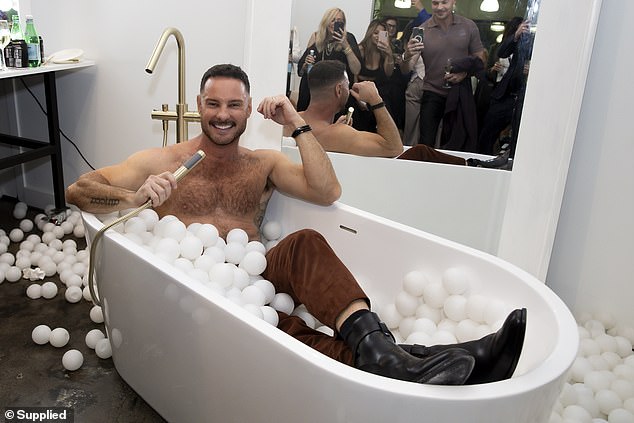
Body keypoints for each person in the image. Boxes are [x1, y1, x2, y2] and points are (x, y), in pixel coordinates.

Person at [66, 64, 525, 385]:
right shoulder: (162, 161)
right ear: (199, 106)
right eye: (213, 104)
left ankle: (384, 354)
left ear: (248, 111)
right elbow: (79, 190)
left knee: (304, 240)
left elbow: (328, 192)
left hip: (252, 272)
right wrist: (136, 195)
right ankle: (436, 360)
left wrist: (295, 122)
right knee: (282, 330)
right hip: (196, 286)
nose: (223, 114)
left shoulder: (262, 162)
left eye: (234, 105)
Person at [298, 60, 511, 169]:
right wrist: (376, 100)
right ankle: (473, 165)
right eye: (346, 86)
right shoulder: (337, 134)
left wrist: (337, 124)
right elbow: (394, 147)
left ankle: (472, 163)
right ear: (338, 90)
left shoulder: (294, 120)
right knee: (419, 152)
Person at [401, 0, 485, 151]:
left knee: (458, 143)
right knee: (425, 143)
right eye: (435, 3)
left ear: (453, 2)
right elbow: (406, 69)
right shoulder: (422, 29)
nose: (440, 7)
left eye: (444, 2)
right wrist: (407, 54)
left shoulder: (468, 26)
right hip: (432, 92)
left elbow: (481, 60)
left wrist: (464, 73)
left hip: (460, 92)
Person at [478, 18, 532, 157]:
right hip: (502, 95)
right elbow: (501, 53)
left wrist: (532, 71)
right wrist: (515, 36)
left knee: (517, 138)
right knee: (487, 134)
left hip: (523, 97)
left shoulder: (532, 45)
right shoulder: (508, 44)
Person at [296, 8, 362, 112]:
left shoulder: (348, 38)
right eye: (333, 20)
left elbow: (356, 70)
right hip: (313, 93)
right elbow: (300, 70)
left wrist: (345, 46)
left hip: (336, 94)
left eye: (340, 21)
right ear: (326, 22)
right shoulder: (317, 38)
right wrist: (306, 64)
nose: (336, 23)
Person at [352, 19, 395, 132]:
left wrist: (389, 54)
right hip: (360, 96)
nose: (377, 37)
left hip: (380, 96)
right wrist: (359, 99)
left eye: (382, 34)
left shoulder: (385, 52)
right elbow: (354, 76)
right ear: (370, 33)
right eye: (375, 33)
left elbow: (388, 73)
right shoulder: (360, 49)